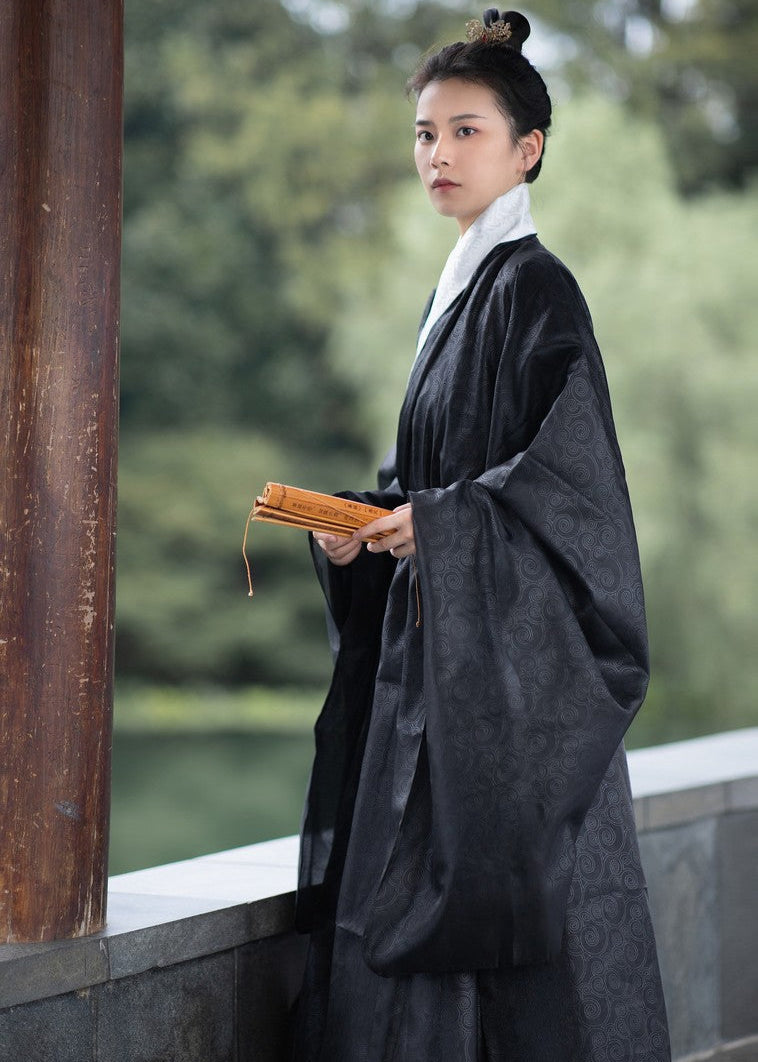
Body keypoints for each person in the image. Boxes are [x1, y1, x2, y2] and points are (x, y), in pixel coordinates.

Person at [293, 9, 671, 1060]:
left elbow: (572, 489)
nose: (439, 155)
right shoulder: (460, 286)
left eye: (466, 131)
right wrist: (362, 524)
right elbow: (428, 475)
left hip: (507, 692)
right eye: (425, 133)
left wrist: (443, 525)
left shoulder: (534, 288)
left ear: (527, 149)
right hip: (438, 668)